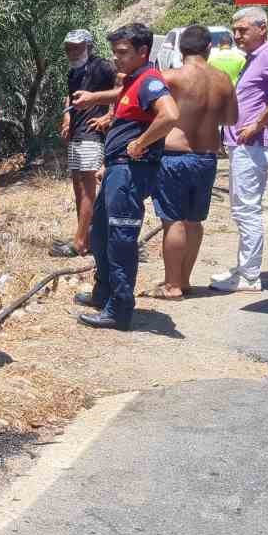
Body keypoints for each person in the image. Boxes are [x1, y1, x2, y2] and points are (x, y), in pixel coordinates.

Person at [69, 23, 180, 330]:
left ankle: (119, 309)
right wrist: (94, 99)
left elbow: (170, 115)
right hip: (117, 169)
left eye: (122, 52)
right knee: (101, 234)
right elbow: (121, 96)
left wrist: (141, 143)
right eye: (114, 52)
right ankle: (103, 293)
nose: (116, 58)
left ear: (143, 51)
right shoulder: (134, 80)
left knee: (120, 238)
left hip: (130, 172)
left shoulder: (150, 81)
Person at [212, 6, 268, 293]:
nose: (237, 35)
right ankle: (243, 268)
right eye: (235, 30)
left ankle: (249, 276)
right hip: (243, 145)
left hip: (253, 145)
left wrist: (258, 124)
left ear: (262, 29)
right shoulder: (253, 58)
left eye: (243, 30)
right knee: (242, 210)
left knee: (247, 211)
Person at [150, 25, 236, 299]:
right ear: (209, 48)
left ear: (180, 48)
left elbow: (150, 110)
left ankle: (172, 285)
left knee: (173, 221)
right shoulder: (223, 79)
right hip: (206, 157)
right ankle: (184, 280)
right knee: (194, 221)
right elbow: (231, 119)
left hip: (174, 156)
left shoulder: (170, 77)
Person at [52, 29, 117, 259]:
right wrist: (67, 117)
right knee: (78, 185)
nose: (72, 52)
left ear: (89, 47)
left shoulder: (102, 67)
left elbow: (125, 87)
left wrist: (110, 115)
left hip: (92, 133)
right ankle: (86, 237)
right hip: (77, 132)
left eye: (77, 48)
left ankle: (80, 243)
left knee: (88, 187)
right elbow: (70, 97)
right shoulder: (74, 72)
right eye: (68, 48)